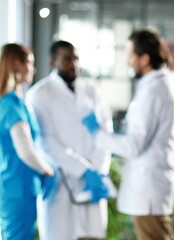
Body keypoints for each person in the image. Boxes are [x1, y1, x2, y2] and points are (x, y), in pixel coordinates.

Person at [82, 29, 174, 240]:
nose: (128, 62)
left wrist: (98, 135)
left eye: (131, 56)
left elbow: (134, 145)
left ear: (145, 59)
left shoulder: (153, 90)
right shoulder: (162, 85)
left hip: (149, 185)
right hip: (153, 183)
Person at [25, 40, 113, 240]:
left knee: (92, 236)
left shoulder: (93, 90)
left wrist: (97, 170)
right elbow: (46, 141)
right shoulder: (39, 94)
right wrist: (83, 170)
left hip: (93, 182)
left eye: (75, 58)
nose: (73, 64)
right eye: (66, 59)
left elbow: (105, 132)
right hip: (60, 182)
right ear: (52, 62)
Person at [0, 43, 56, 239]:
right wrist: (47, 170)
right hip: (18, 189)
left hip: (18, 186)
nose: (34, 69)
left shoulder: (13, 103)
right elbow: (25, 150)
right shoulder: (11, 105)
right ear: (17, 64)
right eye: (30, 63)